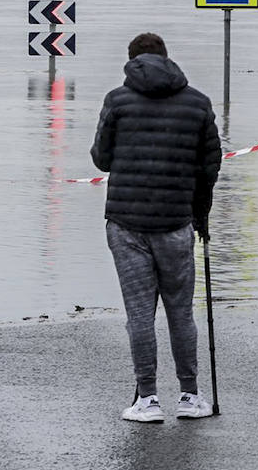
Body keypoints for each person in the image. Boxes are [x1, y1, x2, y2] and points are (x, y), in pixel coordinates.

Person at [90, 33, 221, 423]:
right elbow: (209, 168)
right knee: (181, 313)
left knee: (139, 314)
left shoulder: (117, 100)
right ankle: (190, 396)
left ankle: (147, 399)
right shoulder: (198, 103)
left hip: (126, 225)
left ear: (131, 62)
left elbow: (101, 159)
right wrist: (200, 215)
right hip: (176, 223)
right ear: (168, 58)